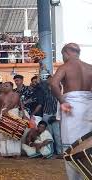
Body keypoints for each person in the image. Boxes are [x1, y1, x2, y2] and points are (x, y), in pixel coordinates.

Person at [51, 43, 92, 180]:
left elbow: (53, 84)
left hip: (71, 106)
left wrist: (62, 102)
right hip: (88, 107)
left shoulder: (65, 66)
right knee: (88, 143)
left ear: (66, 53)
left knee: (71, 145)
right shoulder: (90, 67)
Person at [0, 82, 23, 157]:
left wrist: (7, 110)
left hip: (13, 112)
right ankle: (5, 152)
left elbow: (14, 103)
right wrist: (2, 112)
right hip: (3, 113)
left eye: (7, 86)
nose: (5, 87)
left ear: (12, 87)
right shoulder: (1, 95)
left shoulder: (15, 94)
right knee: (3, 132)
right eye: (4, 86)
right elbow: (0, 105)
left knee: (13, 132)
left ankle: (15, 153)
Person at [42, 75, 62, 157]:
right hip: (46, 114)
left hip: (55, 114)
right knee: (48, 134)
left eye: (51, 79)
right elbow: (41, 82)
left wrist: (58, 115)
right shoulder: (44, 89)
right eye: (48, 79)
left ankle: (60, 152)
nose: (50, 80)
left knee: (57, 134)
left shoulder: (58, 89)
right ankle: (50, 151)